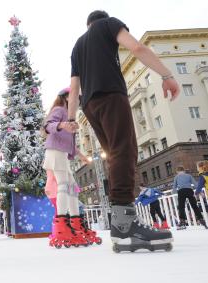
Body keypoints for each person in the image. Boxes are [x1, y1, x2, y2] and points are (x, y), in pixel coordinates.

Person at [68, 10, 178, 253]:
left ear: (88, 25)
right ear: (103, 20)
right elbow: (137, 48)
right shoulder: (108, 24)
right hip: (110, 94)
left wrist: (70, 119)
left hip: (90, 104)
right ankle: (125, 226)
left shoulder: (78, 45)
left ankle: (122, 224)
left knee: (115, 154)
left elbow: (74, 87)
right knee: (124, 151)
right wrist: (167, 75)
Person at [43, 88, 100, 248]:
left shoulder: (70, 116)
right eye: (76, 98)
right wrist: (63, 125)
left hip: (62, 154)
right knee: (63, 185)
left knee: (73, 188)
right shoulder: (59, 110)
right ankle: (61, 225)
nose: (78, 102)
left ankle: (75, 223)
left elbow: (70, 144)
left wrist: (82, 156)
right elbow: (48, 126)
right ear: (66, 97)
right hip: (55, 152)